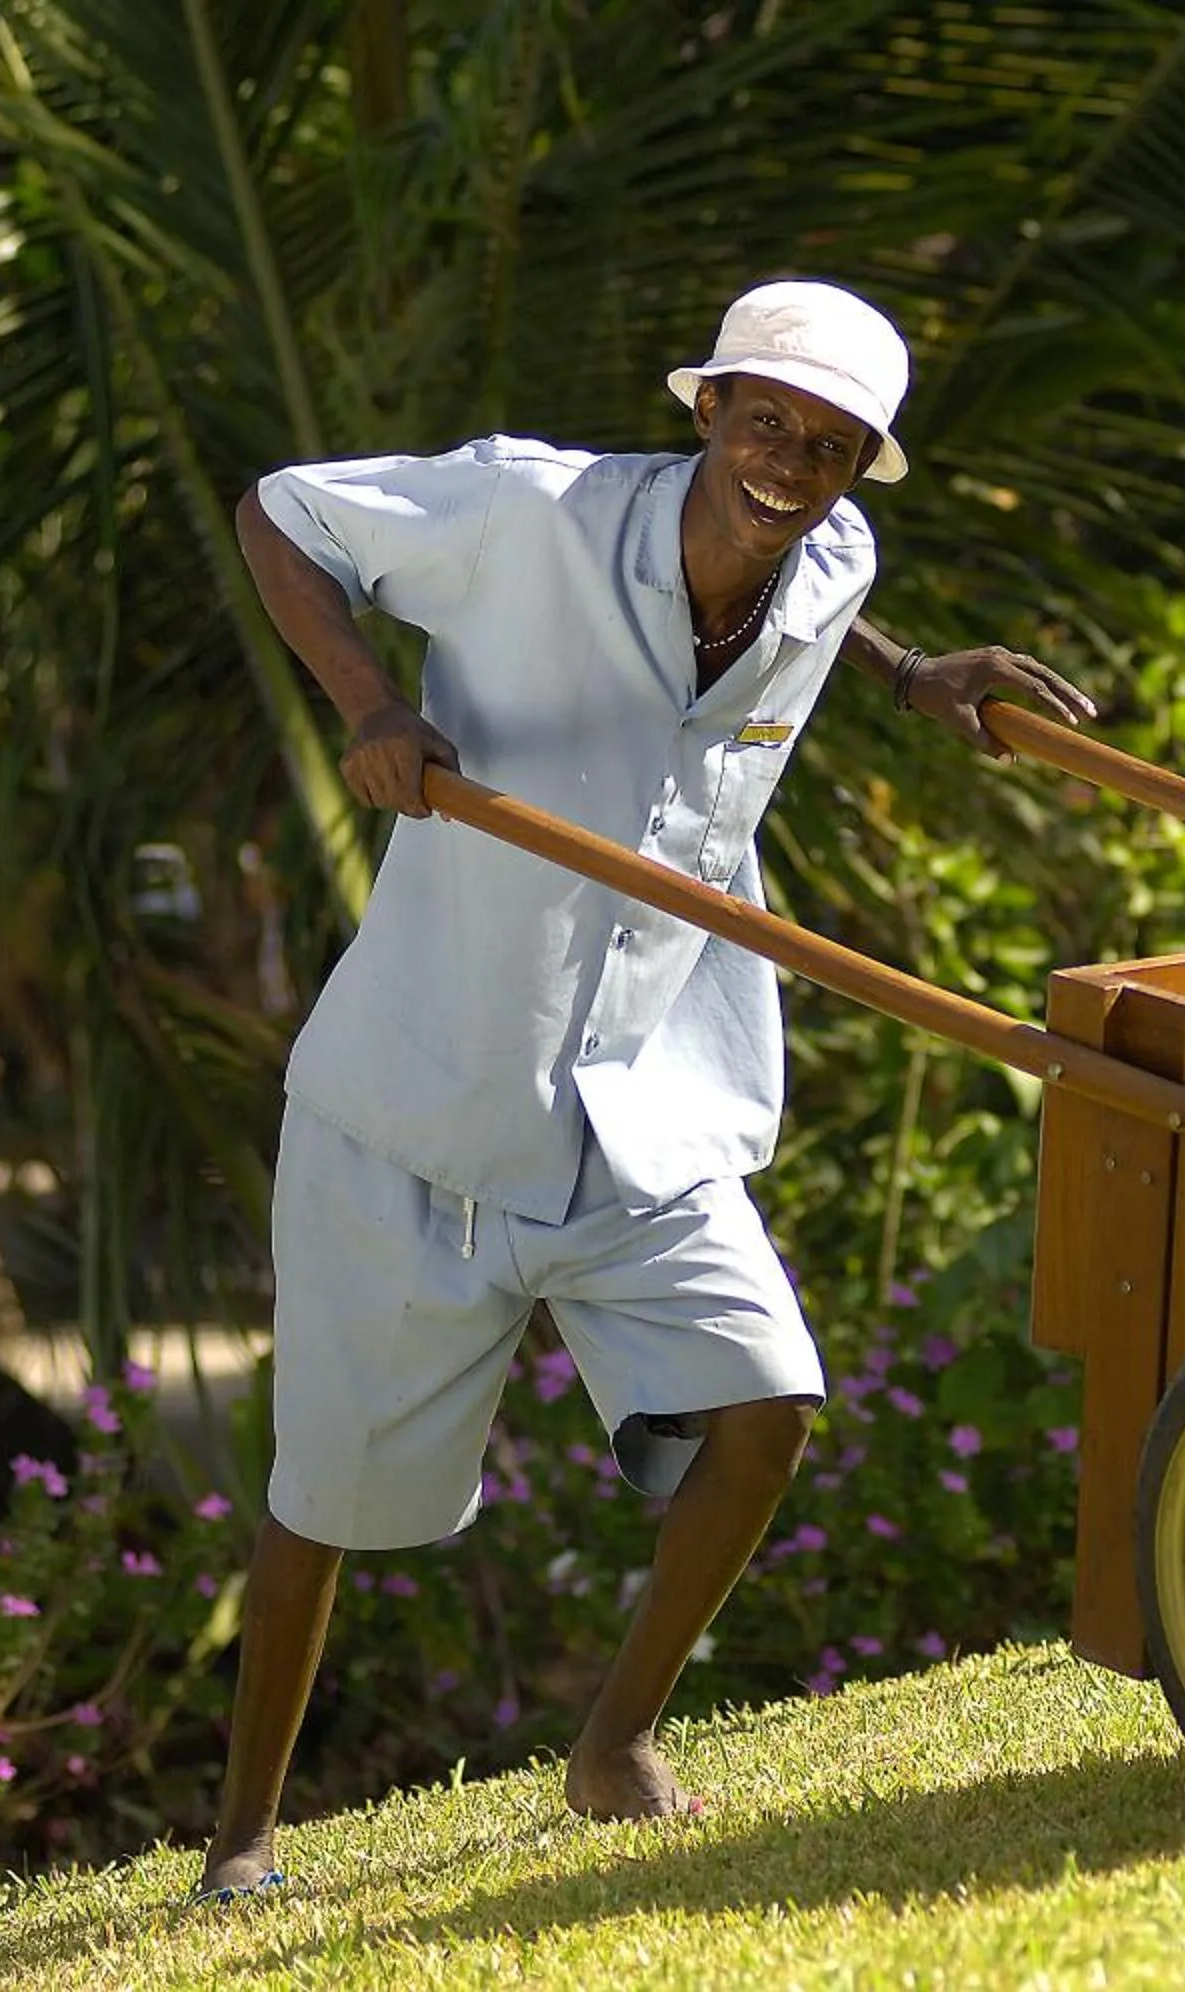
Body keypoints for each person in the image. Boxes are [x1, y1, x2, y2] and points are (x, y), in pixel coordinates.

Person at [193, 279, 1095, 1904]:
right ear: (708, 410)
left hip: (645, 1103)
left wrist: (909, 679)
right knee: (325, 1498)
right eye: (766, 425)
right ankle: (245, 1839)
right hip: (417, 1107)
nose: (789, 467)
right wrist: (373, 707)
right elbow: (278, 513)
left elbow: (817, 618)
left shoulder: (834, 563)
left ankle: (610, 1750)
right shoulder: (526, 510)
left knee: (761, 1407)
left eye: (831, 447)